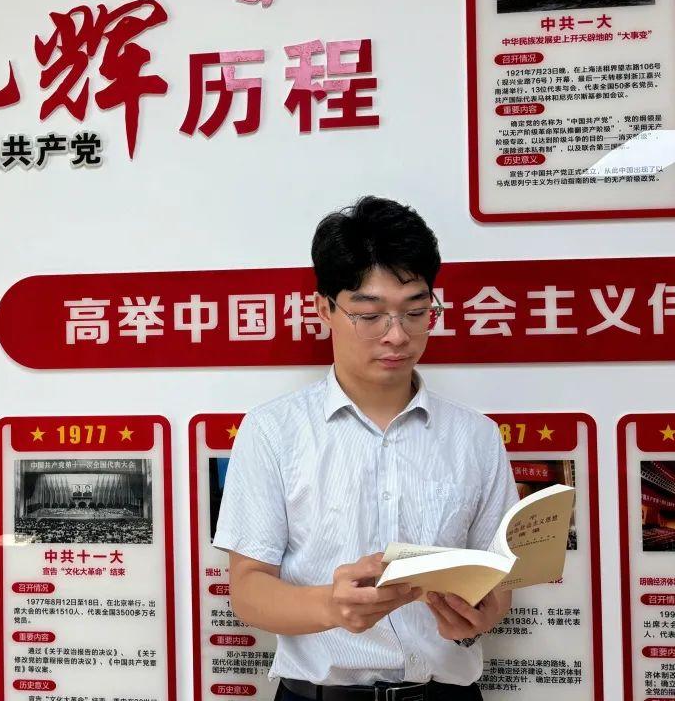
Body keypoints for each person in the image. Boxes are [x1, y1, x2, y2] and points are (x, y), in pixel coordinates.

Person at [213, 196, 519, 701]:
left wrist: (483, 614)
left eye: (416, 312)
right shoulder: (274, 431)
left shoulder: (475, 436)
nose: (397, 336)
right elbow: (248, 589)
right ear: (325, 310)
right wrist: (331, 607)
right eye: (370, 314)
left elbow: (497, 580)